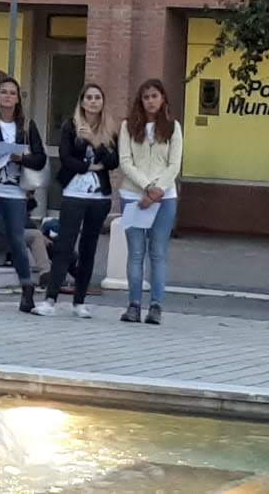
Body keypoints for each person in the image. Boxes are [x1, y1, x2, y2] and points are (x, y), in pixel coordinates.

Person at [37, 82, 119, 318]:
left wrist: (94, 140)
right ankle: (50, 299)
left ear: (103, 102)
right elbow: (66, 158)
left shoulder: (110, 129)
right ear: (82, 102)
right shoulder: (70, 126)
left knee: (88, 248)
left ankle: (79, 301)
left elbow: (113, 162)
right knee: (64, 245)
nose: (93, 101)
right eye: (89, 97)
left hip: (99, 197)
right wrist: (89, 166)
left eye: (97, 98)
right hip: (74, 193)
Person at [0, 74, 49, 313]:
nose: (7, 96)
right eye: (3, 92)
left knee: (17, 238)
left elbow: (40, 158)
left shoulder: (26, 126)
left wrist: (19, 157)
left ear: (18, 99)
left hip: (15, 190)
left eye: (12, 93)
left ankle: (27, 288)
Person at [117, 79, 183, 325]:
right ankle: (134, 305)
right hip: (133, 195)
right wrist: (146, 186)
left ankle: (156, 306)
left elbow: (174, 165)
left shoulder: (173, 127)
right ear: (140, 101)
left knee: (158, 252)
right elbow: (125, 162)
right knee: (136, 252)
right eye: (146, 97)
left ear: (163, 98)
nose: (151, 101)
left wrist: (157, 190)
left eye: (155, 96)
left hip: (164, 197)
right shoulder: (128, 126)